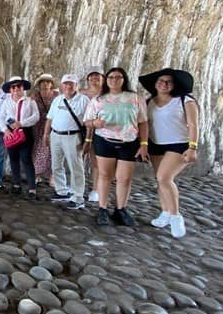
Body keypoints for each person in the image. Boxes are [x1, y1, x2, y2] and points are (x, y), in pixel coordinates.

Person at [83, 67, 149, 226]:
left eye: (118, 77)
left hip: (129, 142)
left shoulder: (135, 98)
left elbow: (143, 122)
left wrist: (144, 144)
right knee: (105, 176)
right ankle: (103, 208)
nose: (114, 80)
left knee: (124, 178)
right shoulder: (98, 100)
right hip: (105, 140)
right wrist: (95, 123)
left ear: (124, 79)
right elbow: (86, 121)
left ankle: (121, 209)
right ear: (106, 80)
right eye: (111, 77)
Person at [139, 68, 199, 238]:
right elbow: (144, 124)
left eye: (168, 82)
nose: (164, 84)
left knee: (164, 178)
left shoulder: (185, 100)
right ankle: (165, 212)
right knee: (160, 180)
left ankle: (175, 216)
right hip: (156, 144)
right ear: (155, 84)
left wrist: (192, 147)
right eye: (160, 81)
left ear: (174, 84)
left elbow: (194, 125)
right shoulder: (149, 101)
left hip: (179, 144)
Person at [43, 74, 90, 209]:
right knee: (56, 164)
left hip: (73, 137)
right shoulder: (58, 100)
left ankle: (78, 197)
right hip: (56, 135)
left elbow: (88, 122)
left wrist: (88, 140)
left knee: (75, 166)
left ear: (76, 85)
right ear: (61, 85)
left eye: (71, 83)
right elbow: (50, 118)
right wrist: (46, 134)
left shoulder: (83, 100)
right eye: (66, 83)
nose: (68, 86)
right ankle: (62, 191)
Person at [0, 76, 40, 200]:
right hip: (11, 133)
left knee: (26, 159)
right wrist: (5, 130)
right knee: (13, 159)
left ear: (23, 88)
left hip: (25, 131)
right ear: (10, 89)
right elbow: (0, 117)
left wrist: (22, 123)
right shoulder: (6, 102)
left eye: (18, 86)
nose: (16, 89)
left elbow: (36, 116)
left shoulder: (30, 101)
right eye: (13, 87)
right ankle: (16, 184)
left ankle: (32, 188)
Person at [31, 73, 59, 187]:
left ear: (51, 84)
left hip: (53, 125)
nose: (45, 84)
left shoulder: (57, 95)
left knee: (53, 151)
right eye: (43, 82)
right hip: (38, 125)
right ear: (39, 84)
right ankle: (36, 174)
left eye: (48, 82)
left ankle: (52, 176)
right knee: (37, 149)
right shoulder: (35, 95)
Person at [82, 66, 104, 202]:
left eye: (98, 76)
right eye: (92, 76)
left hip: (99, 131)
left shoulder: (107, 94)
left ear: (103, 78)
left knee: (96, 161)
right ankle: (77, 186)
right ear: (87, 79)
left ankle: (96, 189)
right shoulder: (81, 93)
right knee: (79, 158)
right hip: (81, 128)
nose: (94, 79)